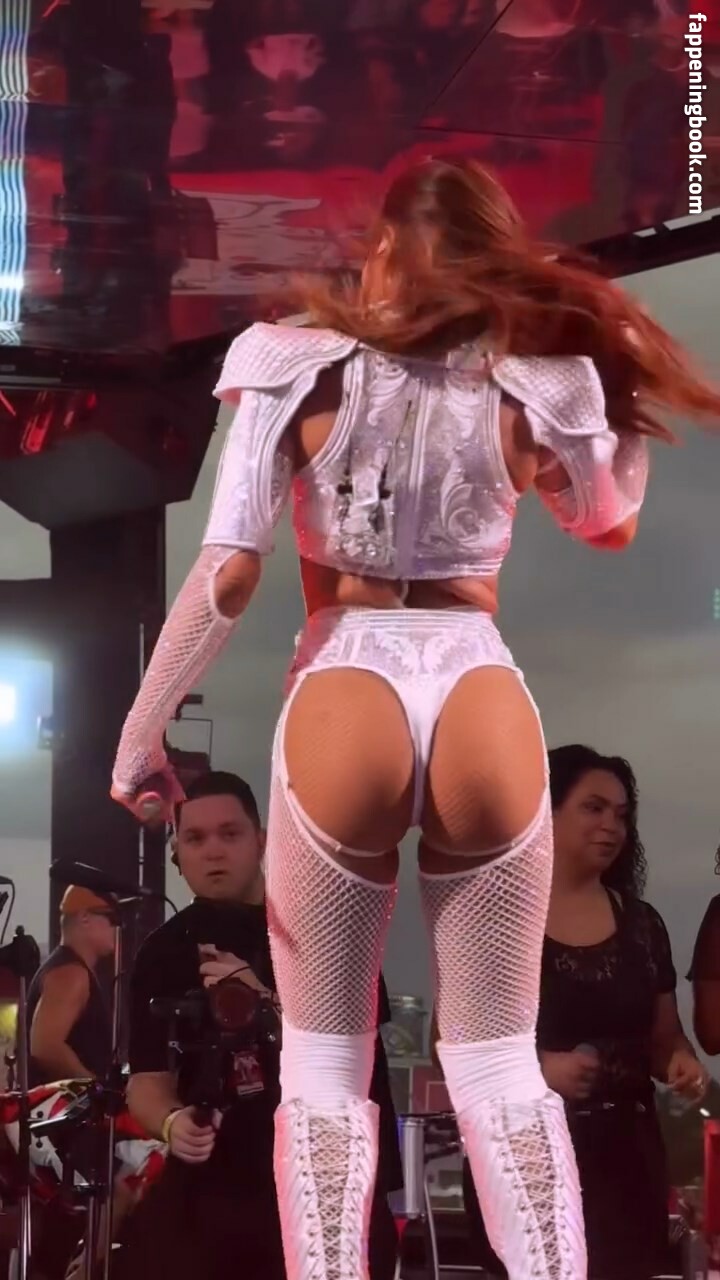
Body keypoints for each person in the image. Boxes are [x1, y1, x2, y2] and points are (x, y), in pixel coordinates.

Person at [110, 158, 720, 1280]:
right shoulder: (540, 381)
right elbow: (608, 521)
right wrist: (612, 391)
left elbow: (229, 572)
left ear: (383, 247)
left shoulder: (292, 358)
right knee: (500, 1068)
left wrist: (139, 732)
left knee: (324, 1069)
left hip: (348, 676)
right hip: (479, 686)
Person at [115, 770, 401, 1280]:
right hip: (214, 1191)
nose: (213, 851)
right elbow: (146, 1080)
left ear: (261, 840)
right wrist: (171, 1122)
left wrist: (262, 1001)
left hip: (325, 1179)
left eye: (230, 834)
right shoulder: (163, 951)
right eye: (195, 838)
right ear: (177, 852)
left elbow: (355, 1055)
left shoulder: (325, 928)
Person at [461, 745, 708, 1280]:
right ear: (545, 814)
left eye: (621, 814)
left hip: (627, 1165)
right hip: (526, 1159)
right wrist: (537, 1070)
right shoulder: (496, 918)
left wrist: (680, 1063)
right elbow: (453, 1042)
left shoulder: (643, 924)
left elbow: (664, 1039)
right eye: (593, 808)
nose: (610, 826)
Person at [27, 885, 116, 1086]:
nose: (117, 927)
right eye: (111, 918)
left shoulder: (67, 968)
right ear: (84, 917)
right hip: (62, 1104)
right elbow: (46, 1048)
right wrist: (97, 1088)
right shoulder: (71, 974)